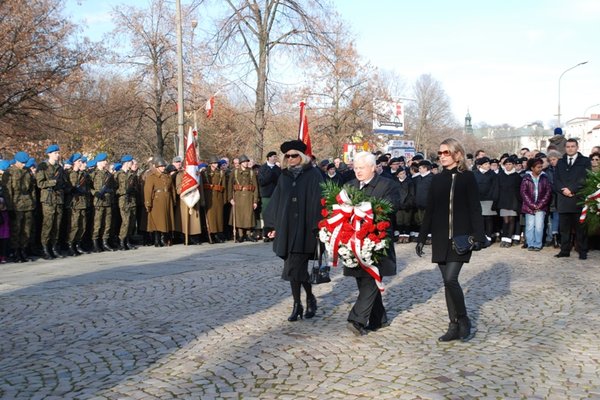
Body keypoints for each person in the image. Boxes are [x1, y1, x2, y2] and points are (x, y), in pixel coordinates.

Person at [416, 138, 486, 342]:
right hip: (439, 237)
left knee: (450, 279)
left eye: (446, 152)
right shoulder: (437, 179)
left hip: (461, 237)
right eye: (440, 153)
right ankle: (453, 325)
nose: (442, 156)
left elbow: (475, 207)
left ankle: (463, 319)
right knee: (447, 283)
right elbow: (430, 210)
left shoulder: (467, 178)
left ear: (457, 154)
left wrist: (479, 236)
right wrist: (421, 237)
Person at [263, 140, 324, 321]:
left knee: (295, 268)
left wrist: (319, 226)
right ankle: (302, 302)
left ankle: (301, 303)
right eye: (287, 156)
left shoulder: (314, 174)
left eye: (294, 155)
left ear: (302, 156)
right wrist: (272, 225)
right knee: (294, 269)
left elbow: (320, 200)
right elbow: (277, 201)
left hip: (307, 229)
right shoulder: (284, 177)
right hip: (288, 230)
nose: (290, 159)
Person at [343, 151, 399, 336]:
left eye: (362, 168)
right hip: (354, 240)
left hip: (377, 239)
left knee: (371, 278)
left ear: (373, 168)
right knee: (362, 277)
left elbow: (390, 207)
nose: (358, 171)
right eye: (356, 168)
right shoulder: (349, 186)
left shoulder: (387, 185)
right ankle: (378, 318)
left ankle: (357, 319)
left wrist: (365, 211)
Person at [554, 139, 591, 259]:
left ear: (577, 147)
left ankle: (582, 251)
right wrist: (563, 190)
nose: (570, 148)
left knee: (580, 228)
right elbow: (556, 180)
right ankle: (564, 250)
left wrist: (572, 190)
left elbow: (586, 178)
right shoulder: (560, 162)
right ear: (565, 148)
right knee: (564, 228)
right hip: (563, 200)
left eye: (572, 146)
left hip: (578, 198)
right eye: (568, 146)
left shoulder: (585, 161)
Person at [36, 144, 69, 259]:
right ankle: (45, 248)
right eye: (55, 153)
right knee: (48, 225)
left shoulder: (59, 168)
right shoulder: (43, 166)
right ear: (49, 154)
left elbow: (64, 182)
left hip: (59, 199)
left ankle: (54, 247)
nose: (58, 155)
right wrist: (53, 182)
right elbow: (40, 183)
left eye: (58, 153)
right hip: (48, 200)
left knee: (57, 225)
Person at [5, 151, 35, 262]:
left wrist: (33, 202)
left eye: (25, 162)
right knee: (16, 230)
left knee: (26, 229)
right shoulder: (9, 172)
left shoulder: (27, 171)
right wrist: (10, 208)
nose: (23, 164)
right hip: (16, 205)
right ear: (16, 161)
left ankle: (23, 250)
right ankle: (15, 251)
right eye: (22, 162)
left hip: (28, 204)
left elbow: (31, 188)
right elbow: (7, 191)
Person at [520, 158, 552, 251]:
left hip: (541, 207)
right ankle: (530, 243)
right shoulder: (526, 178)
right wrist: (532, 205)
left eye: (541, 167)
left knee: (539, 226)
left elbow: (548, 192)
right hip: (529, 207)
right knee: (530, 226)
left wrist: (540, 205)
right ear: (532, 168)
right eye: (538, 167)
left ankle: (538, 244)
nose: (540, 169)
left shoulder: (545, 178)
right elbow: (523, 193)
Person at [144, 157, 176, 247]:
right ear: (157, 167)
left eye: (164, 166)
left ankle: (164, 238)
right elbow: (148, 191)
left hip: (167, 199)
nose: (163, 168)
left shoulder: (167, 176)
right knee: (158, 221)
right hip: (157, 201)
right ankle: (157, 240)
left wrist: (173, 200)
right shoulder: (151, 177)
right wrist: (148, 203)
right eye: (161, 166)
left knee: (166, 220)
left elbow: (172, 189)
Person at [227, 155, 259, 242]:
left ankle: (248, 234)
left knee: (248, 216)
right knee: (239, 216)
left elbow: (255, 187)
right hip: (238, 196)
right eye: (244, 162)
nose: (246, 163)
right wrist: (230, 198)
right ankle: (240, 235)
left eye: (247, 161)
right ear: (240, 163)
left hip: (249, 196)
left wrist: (255, 200)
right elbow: (230, 186)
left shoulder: (251, 172)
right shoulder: (235, 172)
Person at [90, 152, 116, 252]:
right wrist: (95, 193)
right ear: (99, 162)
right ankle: (95, 243)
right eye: (104, 160)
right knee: (97, 224)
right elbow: (89, 188)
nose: (106, 162)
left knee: (107, 223)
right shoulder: (93, 174)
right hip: (98, 202)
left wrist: (109, 191)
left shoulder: (108, 175)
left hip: (107, 201)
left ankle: (105, 242)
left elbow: (113, 186)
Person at [202, 156, 227, 243]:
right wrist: (202, 199)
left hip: (218, 196)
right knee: (210, 217)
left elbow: (224, 187)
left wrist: (224, 199)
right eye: (214, 163)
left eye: (216, 163)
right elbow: (201, 187)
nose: (215, 165)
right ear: (210, 164)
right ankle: (211, 234)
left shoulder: (221, 173)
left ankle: (218, 233)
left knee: (218, 216)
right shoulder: (204, 172)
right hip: (208, 196)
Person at [257, 151, 281, 242]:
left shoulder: (277, 169)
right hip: (266, 194)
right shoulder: (263, 168)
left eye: (276, 157)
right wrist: (270, 174)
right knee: (266, 214)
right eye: (273, 157)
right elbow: (262, 181)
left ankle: (274, 233)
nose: (275, 158)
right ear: (268, 158)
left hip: (276, 194)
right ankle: (266, 234)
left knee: (275, 214)